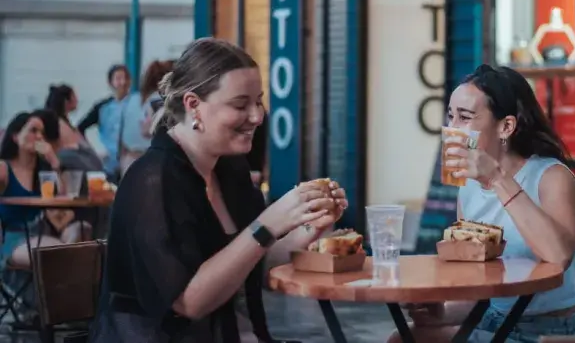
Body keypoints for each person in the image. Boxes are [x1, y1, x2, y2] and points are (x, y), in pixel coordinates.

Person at [90, 37, 348, 343]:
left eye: (259, 101)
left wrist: (308, 226)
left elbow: (254, 262)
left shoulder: (229, 168)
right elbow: (189, 302)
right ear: (193, 105)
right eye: (240, 104)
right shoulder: (152, 181)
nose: (257, 116)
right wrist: (267, 224)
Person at [393, 64, 575, 343]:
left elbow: (558, 256)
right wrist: (445, 312)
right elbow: (484, 287)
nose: (452, 128)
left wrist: (497, 177)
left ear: (506, 126)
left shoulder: (552, 177)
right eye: (450, 116)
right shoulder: (469, 189)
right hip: (493, 320)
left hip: (551, 330)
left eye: (465, 117)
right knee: (402, 339)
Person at [0, 113, 89, 269]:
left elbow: (63, 200)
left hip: (45, 232)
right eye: (33, 131)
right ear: (15, 136)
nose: (39, 137)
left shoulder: (44, 171)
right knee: (59, 252)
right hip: (17, 238)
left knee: (83, 228)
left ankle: (65, 277)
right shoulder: (4, 168)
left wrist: (54, 161)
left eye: (42, 133)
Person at [77, 65, 143, 179]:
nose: (123, 82)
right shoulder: (102, 107)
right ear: (110, 82)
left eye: (126, 78)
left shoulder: (138, 104)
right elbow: (79, 128)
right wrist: (92, 151)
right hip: (108, 164)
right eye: (118, 78)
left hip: (134, 162)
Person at [118, 60, 175, 176]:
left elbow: (122, 137)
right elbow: (147, 130)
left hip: (129, 158)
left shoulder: (132, 99)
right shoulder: (159, 100)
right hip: (150, 160)